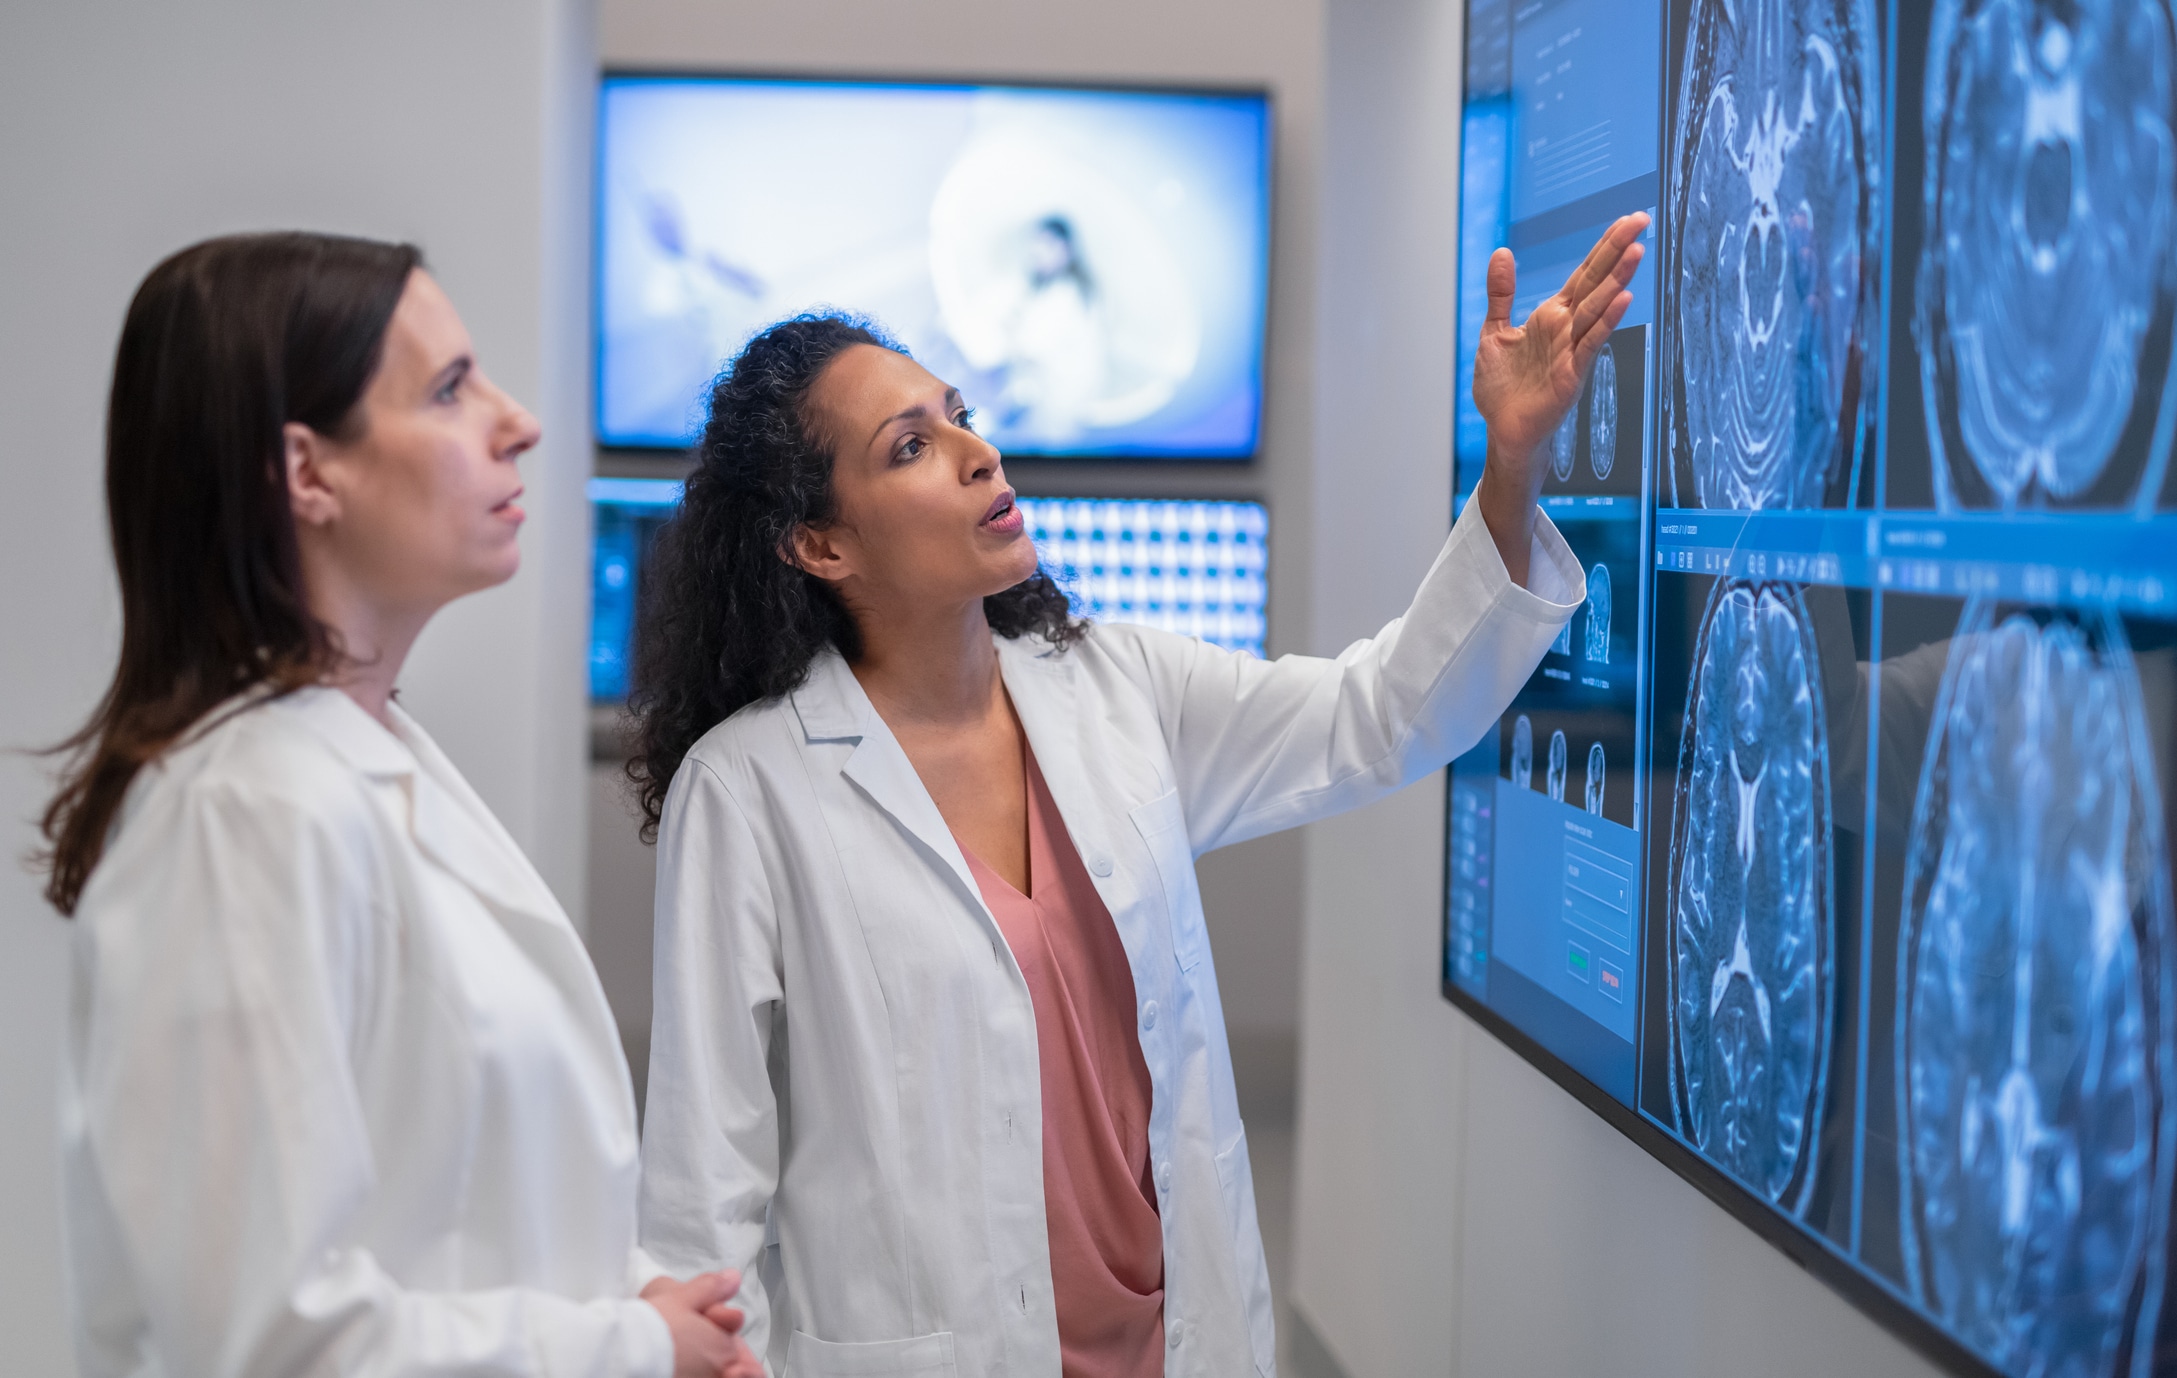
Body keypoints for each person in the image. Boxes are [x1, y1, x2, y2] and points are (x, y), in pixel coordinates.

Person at [627, 214, 1648, 1375]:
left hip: (1178, 1342)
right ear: (819, 545)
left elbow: (1378, 718)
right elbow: (702, 1195)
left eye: (960, 416)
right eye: (909, 447)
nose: (976, 455)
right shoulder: (751, 790)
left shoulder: (1113, 688)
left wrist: (1507, 472)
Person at [41, 232, 762, 1378]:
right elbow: (268, 1342)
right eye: (446, 389)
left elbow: (438, 1205)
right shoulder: (245, 811)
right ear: (307, 472)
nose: (516, 419)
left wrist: (630, 1293)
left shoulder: (368, 762)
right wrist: (624, 1346)